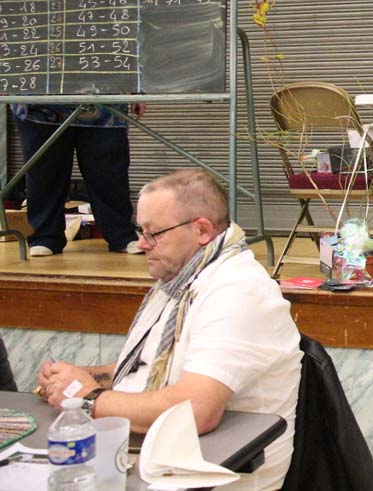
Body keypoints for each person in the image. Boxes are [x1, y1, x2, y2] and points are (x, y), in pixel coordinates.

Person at [36, 168, 302, 491]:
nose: (141, 243)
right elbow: (148, 367)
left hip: (216, 475)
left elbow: (196, 410)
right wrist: (79, 377)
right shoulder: (180, 278)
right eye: (140, 230)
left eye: (153, 233)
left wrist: (89, 398)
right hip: (164, 459)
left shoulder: (238, 289)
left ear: (201, 230)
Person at [13, 102, 144, 256]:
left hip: (104, 105)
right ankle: (44, 237)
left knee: (110, 175)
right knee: (44, 174)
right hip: (40, 107)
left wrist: (137, 92)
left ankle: (122, 236)